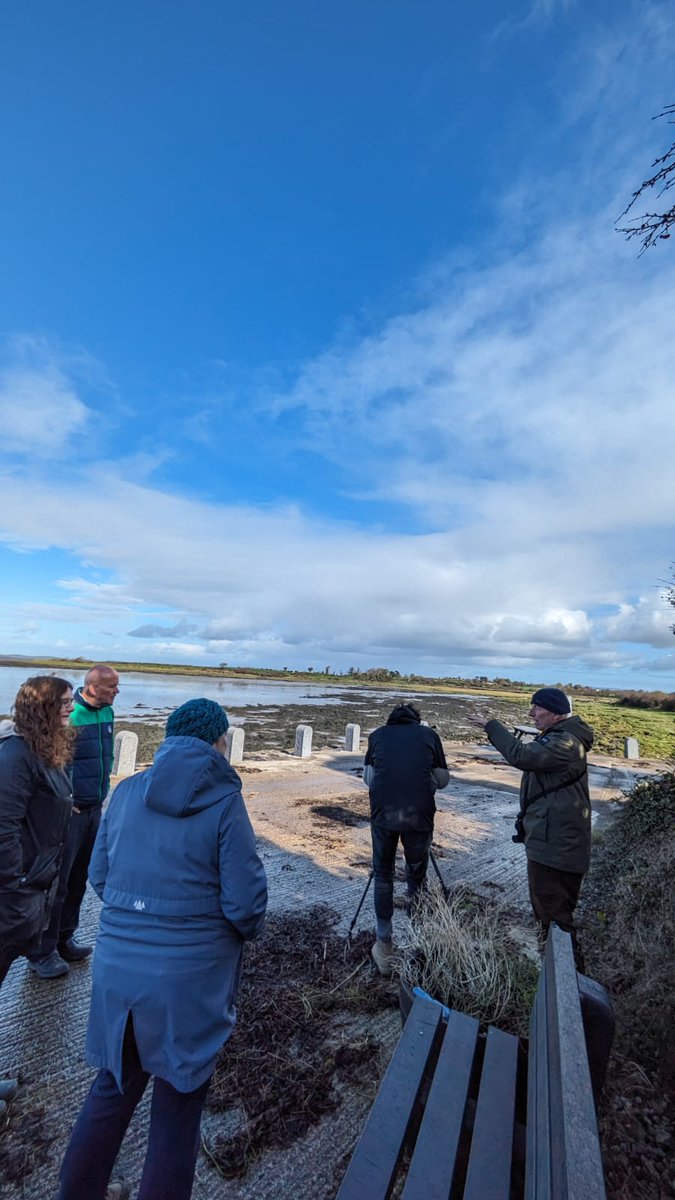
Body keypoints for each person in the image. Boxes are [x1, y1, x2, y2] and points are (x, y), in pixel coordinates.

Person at [56, 698, 268, 1200]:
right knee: (178, 1107)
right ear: (218, 742)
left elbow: (101, 877)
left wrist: (140, 908)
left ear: (170, 737)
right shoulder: (224, 800)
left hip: (118, 973)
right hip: (188, 984)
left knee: (113, 1087)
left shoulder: (126, 791)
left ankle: (77, 1192)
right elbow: (245, 904)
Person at [468, 687, 593, 970]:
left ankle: (567, 990)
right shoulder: (561, 738)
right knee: (553, 916)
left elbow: (521, 756)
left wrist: (491, 726)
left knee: (554, 922)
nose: (530, 714)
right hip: (556, 843)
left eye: (536, 708)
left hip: (555, 849)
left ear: (556, 712)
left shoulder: (565, 744)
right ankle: (563, 982)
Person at [0, 676, 75, 1112]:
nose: (71, 707)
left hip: (31, 887)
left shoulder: (45, 750)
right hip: (12, 892)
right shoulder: (14, 755)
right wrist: (18, 880)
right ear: (43, 707)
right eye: (64, 702)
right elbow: (3, 826)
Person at [28, 663, 119, 978]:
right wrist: (64, 802)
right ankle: (42, 951)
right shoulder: (71, 717)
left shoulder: (107, 712)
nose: (117, 691)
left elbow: (102, 759)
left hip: (95, 808)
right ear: (92, 687)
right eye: (111, 687)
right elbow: (54, 761)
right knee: (58, 883)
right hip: (71, 813)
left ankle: (66, 937)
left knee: (80, 877)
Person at [364, 703, 449, 975]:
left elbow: (369, 778)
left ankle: (384, 945)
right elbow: (443, 779)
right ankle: (417, 940)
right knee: (416, 877)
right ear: (416, 721)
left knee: (383, 875)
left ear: (391, 721)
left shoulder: (377, 735)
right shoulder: (429, 736)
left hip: (383, 815)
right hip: (419, 816)